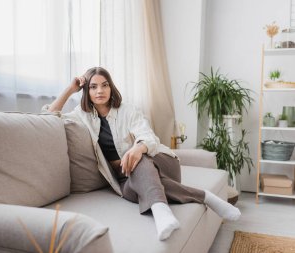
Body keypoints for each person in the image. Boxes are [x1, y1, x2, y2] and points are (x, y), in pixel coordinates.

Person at [45, 67, 240, 241]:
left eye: (105, 85)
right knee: (132, 191)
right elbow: (49, 116)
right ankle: (206, 197)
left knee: (137, 159)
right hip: (124, 178)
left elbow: (149, 137)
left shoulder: (127, 110)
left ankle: (160, 212)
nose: (100, 91)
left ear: (111, 87)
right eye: (94, 87)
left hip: (160, 162)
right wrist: (71, 89)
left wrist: (138, 148)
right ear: (87, 91)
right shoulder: (82, 115)